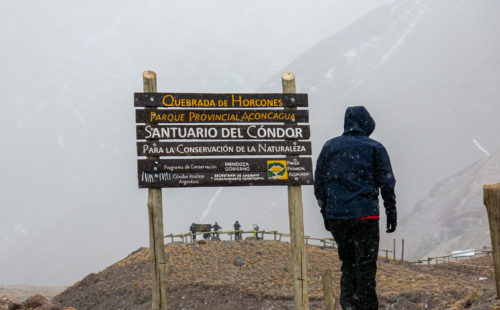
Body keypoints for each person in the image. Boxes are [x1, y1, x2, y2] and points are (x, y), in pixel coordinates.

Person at [314, 106, 397, 310]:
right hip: (365, 216)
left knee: (348, 264)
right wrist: (391, 211)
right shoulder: (375, 148)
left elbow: (319, 186)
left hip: (338, 218)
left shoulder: (329, 147)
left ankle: (349, 305)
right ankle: (366, 306)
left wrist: (326, 213)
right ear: (366, 124)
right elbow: (387, 183)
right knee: (366, 267)